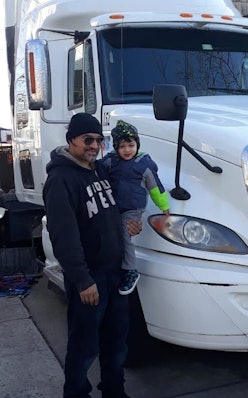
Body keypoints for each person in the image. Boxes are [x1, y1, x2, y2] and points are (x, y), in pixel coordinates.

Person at [43, 113, 141, 398]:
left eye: (99, 140)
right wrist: (83, 280)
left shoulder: (99, 170)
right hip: (91, 277)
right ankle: (75, 393)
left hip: (115, 273)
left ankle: (114, 391)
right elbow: (63, 236)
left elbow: (115, 208)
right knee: (84, 345)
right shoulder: (61, 179)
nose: (94, 145)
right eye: (88, 139)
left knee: (116, 342)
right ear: (71, 140)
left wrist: (131, 223)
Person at [100, 119, 170, 295]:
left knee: (124, 235)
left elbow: (155, 187)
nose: (127, 150)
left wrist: (164, 205)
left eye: (131, 145)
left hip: (133, 208)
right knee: (111, 235)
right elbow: (96, 171)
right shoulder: (111, 162)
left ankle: (131, 269)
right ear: (116, 147)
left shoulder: (144, 164)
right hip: (115, 207)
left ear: (137, 144)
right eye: (122, 146)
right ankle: (115, 266)